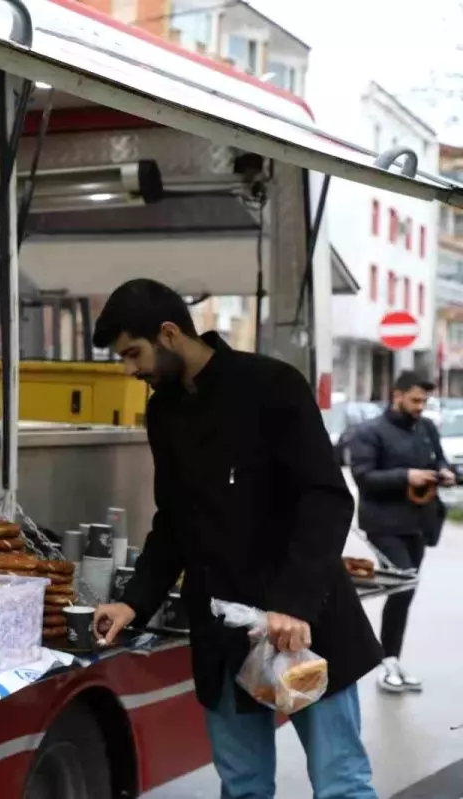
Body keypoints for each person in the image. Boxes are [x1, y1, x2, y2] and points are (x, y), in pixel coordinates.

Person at [92, 279, 380, 799]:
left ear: (170, 333)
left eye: (134, 353)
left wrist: (293, 605)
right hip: (224, 629)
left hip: (302, 625)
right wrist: (133, 602)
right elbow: (174, 519)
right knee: (243, 787)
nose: (131, 369)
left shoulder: (272, 386)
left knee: (341, 785)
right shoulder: (164, 411)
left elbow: (326, 498)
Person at [349, 371, 451, 693]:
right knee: (402, 586)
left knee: (407, 591)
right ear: (397, 395)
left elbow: (442, 461)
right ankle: (384, 661)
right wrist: (407, 476)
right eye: (415, 400)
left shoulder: (427, 429)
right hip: (383, 524)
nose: (421, 406)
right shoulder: (369, 432)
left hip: (418, 523)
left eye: (424, 401)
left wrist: (446, 473)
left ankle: (392, 658)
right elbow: (364, 477)